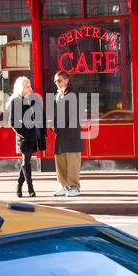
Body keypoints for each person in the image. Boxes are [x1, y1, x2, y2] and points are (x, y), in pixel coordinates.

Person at [9, 76, 45, 198]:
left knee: (26, 161)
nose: (31, 88)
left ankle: (18, 185)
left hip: (33, 136)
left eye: (30, 86)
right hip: (24, 138)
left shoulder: (33, 100)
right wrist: (25, 134)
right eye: (28, 86)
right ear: (21, 88)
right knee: (26, 162)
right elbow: (13, 122)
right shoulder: (16, 101)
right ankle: (30, 188)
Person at [50, 69, 83, 197]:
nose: (56, 83)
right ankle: (64, 186)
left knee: (72, 161)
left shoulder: (74, 93)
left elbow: (75, 114)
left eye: (59, 80)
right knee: (60, 160)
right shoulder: (58, 94)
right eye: (55, 81)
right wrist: (54, 124)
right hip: (61, 133)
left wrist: (63, 128)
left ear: (67, 80)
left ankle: (75, 187)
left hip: (71, 132)